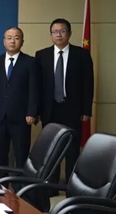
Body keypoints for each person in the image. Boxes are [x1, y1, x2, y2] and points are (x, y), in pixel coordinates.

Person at [35, 18, 94, 180]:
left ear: (69, 33)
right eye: (55, 32)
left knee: (72, 151)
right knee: (51, 151)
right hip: (49, 110)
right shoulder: (42, 55)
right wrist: (37, 111)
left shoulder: (81, 54)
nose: (59, 35)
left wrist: (86, 110)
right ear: (51, 35)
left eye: (62, 31)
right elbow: (38, 86)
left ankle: (70, 186)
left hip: (73, 109)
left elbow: (88, 83)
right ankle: (51, 187)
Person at [0, 27, 38, 172]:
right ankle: (0, 184)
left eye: (16, 38)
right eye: (9, 38)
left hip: (21, 118)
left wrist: (32, 112)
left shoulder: (30, 62)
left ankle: (20, 185)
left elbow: (34, 89)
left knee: (21, 155)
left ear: (22, 42)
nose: (12, 41)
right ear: (4, 41)